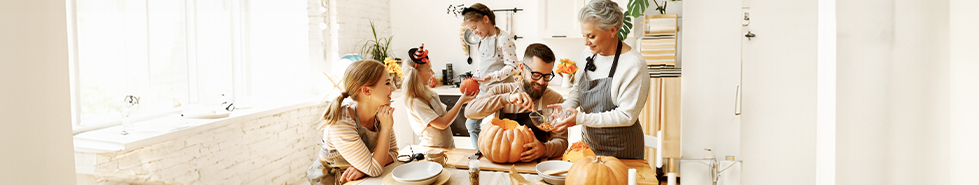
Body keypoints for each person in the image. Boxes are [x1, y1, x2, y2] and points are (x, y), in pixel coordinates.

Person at [549, 0, 651, 160]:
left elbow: (626, 115)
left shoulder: (633, 65)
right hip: (589, 147)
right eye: (584, 35)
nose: (585, 42)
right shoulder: (588, 54)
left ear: (612, 30)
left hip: (622, 152)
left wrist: (581, 118)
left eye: (592, 36)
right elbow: (578, 88)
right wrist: (566, 107)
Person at [465, 43, 568, 162]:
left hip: (536, 165)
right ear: (523, 69)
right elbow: (469, 112)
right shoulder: (503, 90)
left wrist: (545, 149)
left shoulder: (555, 100)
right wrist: (506, 99)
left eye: (547, 76)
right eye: (536, 75)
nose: (541, 81)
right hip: (502, 164)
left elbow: (562, 142)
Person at [307, 60, 399, 184]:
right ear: (366, 91)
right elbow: (375, 169)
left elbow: (393, 152)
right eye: (387, 83)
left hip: (360, 176)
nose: (393, 88)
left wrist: (364, 169)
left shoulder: (380, 114)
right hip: (333, 179)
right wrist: (386, 129)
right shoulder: (341, 123)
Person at [460, 3, 521, 152]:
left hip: (502, 91)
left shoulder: (503, 39)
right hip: (485, 89)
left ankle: (497, 154)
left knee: (499, 128)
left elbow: (513, 66)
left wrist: (490, 77)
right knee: (471, 124)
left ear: (486, 19)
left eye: (475, 28)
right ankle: (479, 152)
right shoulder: (482, 40)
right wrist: (477, 76)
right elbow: (484, 64)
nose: (474, 33)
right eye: (471, 30)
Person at [402, 44, 477, 148]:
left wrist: (463, 101)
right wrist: (460, 101)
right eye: (429, 70)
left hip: (447, 147)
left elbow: (446, 116)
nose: (433, 73)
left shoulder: (431, 94)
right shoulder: (415, 102)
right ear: (417, 75)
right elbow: (442, 124)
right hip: (433, 151)